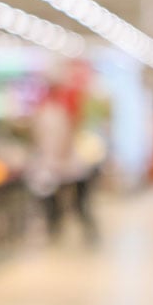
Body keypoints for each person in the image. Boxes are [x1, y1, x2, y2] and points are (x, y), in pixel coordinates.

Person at [28, 82, 99, 243]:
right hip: (54, 165)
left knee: (75, 203)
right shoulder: (51, 112)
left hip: (62, 164)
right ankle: (56, 231)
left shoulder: (55, 112)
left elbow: (58, 139)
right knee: (58, 203)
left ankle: (66, 231)